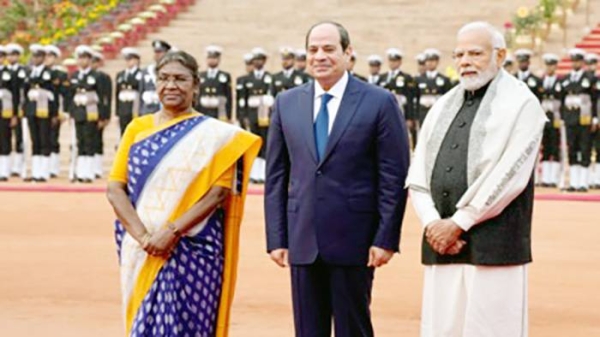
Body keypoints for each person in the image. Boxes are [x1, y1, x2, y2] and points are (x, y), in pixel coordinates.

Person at [265, 21, 410, 337]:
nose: (320, 56)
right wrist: (277, 238)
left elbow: (393, 176)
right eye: (313, 50)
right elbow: (276, 176)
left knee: (352, 328)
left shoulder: (379, 102)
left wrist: (386, 238)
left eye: (329, 49)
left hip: (355, 239)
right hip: (302, 239)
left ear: (348, 53)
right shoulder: (286, 103)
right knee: (307, 330)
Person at [106, 50, 261, 337]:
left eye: (180, 79)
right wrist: (144, 238)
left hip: (195, 247)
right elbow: (115, 188)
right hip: (142, 249)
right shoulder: (137, 128)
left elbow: (217, 194)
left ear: (195, 85)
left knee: (190, 326)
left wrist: (172, 232)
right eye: (164, 78)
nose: (171, 85)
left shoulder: (217, 136)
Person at [406, 21, 546, 337]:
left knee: (493, 326)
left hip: (494, 243)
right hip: (442, 243)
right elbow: (418, 171)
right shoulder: (442, 104)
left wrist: (458, 223)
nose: (465, 61)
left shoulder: (522, 104)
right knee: (443, 326)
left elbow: (510, 176)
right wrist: (432, 223)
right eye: (459, 54)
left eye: (475, 53)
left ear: (500, 55)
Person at [562, 48, 597, 192]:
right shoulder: (566, 78)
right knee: (572, 148)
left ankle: (583, 182)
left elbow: (594, 99)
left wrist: (595, 117)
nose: (575, 63)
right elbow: (564, 94)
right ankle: (574, 182)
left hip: (585, 117)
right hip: (570, 118)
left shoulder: (589, 78)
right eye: (573, 61)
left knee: (585, 147)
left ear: (582, 62)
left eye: (578, 61)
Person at [66, 45, 103, 183]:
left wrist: (103, 116)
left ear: (89, 59)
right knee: (80, 141)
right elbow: (70, 95)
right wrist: (70, 113)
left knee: (89, 141)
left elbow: (102, 97)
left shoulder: (96, 76)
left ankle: (89, 172)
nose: (82, 61)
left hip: (91, 112)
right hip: (78, 112)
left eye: (85, 58)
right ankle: (80, 172)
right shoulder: (74, 76)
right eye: (80, 58)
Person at [23, 43, 58, 182]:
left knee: (44, 139)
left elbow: (53, 94)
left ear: (43, 57)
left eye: (38, 56)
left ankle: (44, 172)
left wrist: (55, 113)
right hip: (32, 109)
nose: (35, 59)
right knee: (35, 140)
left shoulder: (49, 73)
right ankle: (36, 171)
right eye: (34, 56)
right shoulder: (29, 71)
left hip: (45, 109)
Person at [240, 47, 274, 184]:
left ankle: (263, 173)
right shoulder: (247, 79)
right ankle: (254, 173)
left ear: (264, 61)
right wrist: (243, 117)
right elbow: (243, 100)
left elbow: (272, 96)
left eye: (260, 59)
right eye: (255, 60)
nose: (257, 62)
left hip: (265, 114)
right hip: (252, 114)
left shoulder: (269, 77)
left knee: (265, 143)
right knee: (255, 143)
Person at [379, 48, 417, 147]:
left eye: (395, 60)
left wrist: (410, 117)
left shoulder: (406, 78)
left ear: (400, 62)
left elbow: (409, 99)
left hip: (400, 110)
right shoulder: (382, 78)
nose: (392, 63)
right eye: (391, 60)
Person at [45, 44, 69, 178]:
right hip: (42, 110)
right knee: (44, 138)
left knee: (54, 138)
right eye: (46, 56)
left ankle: (53, 167)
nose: (48, 59)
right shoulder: (42, 72)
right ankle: (46, 166)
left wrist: (64, 111)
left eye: (50, 56)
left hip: (55, 110)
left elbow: (64, 94)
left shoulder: (60, 74)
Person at [539, 53, 563, 188]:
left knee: (555, 147)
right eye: (548, 65)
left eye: (552, 65)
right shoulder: (540, 81)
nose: (550, 68)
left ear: (556, 67)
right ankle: (546, 178)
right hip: (544, 117)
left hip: (556, 117)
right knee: (546, 147)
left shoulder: (561, 82)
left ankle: (554, 177)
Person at [195, 45, 232, 121]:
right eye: (210, 58)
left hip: (219, 110)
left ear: (219, 60)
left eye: (214, 58)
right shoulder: (201, 75)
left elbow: (228, 96)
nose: (212, 60)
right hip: (203, 109)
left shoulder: (224, 76)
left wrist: (228, 115)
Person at [5, 43, 27, 177]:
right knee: (4, 138)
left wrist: (17, 111)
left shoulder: (23, 72)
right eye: (9, 55)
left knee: (19, 138)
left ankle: (18, 166)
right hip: (4, 109)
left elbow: (21, 93)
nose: (11, 57)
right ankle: (5, 167)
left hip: (18, 109)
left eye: (14, 55)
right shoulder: (4, 71)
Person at [91, 51, 112, 179]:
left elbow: (106, 98)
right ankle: (89, 167)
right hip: (86, 111)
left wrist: (105, 116)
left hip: (99, 112)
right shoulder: (86, 76)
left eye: (95, 61)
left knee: (97, 140)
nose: (93, 64)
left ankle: (97, 167)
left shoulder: (104, 77)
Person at [139, 40, 171, 116]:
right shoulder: (146, 71)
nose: (157, 55)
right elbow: (141, 92)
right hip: (148, 111)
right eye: (155, 52)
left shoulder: (172, 70)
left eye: (160, 52)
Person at [115, 47, 142, 135]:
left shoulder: (140, 74)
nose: (128, 62)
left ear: (137, 60)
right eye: (127, 59)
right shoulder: (121, 75)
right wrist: (117, 112)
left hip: (134, 106)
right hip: (123, 107)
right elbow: (117, 94)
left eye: (131, 59)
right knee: (123, 132)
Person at [0, 45, 13, 181]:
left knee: (4, 139)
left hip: (5, 109)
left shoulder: (8, 73)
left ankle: (4, 170)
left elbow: (15, 93)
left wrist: (14, 113)